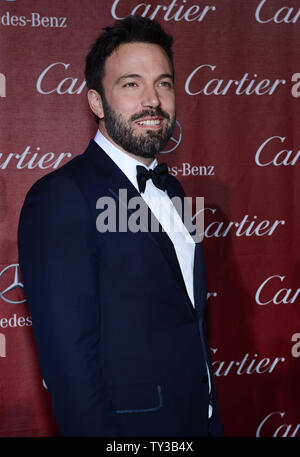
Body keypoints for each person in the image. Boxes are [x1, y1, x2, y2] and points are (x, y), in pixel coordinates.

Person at [18, 15, 223, 437]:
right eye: (131, 84)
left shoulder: (176, 191)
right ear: (96, 102)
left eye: (163, 83)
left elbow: (189, 324)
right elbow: (69, 364)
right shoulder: (62, 197)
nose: (153, 99)